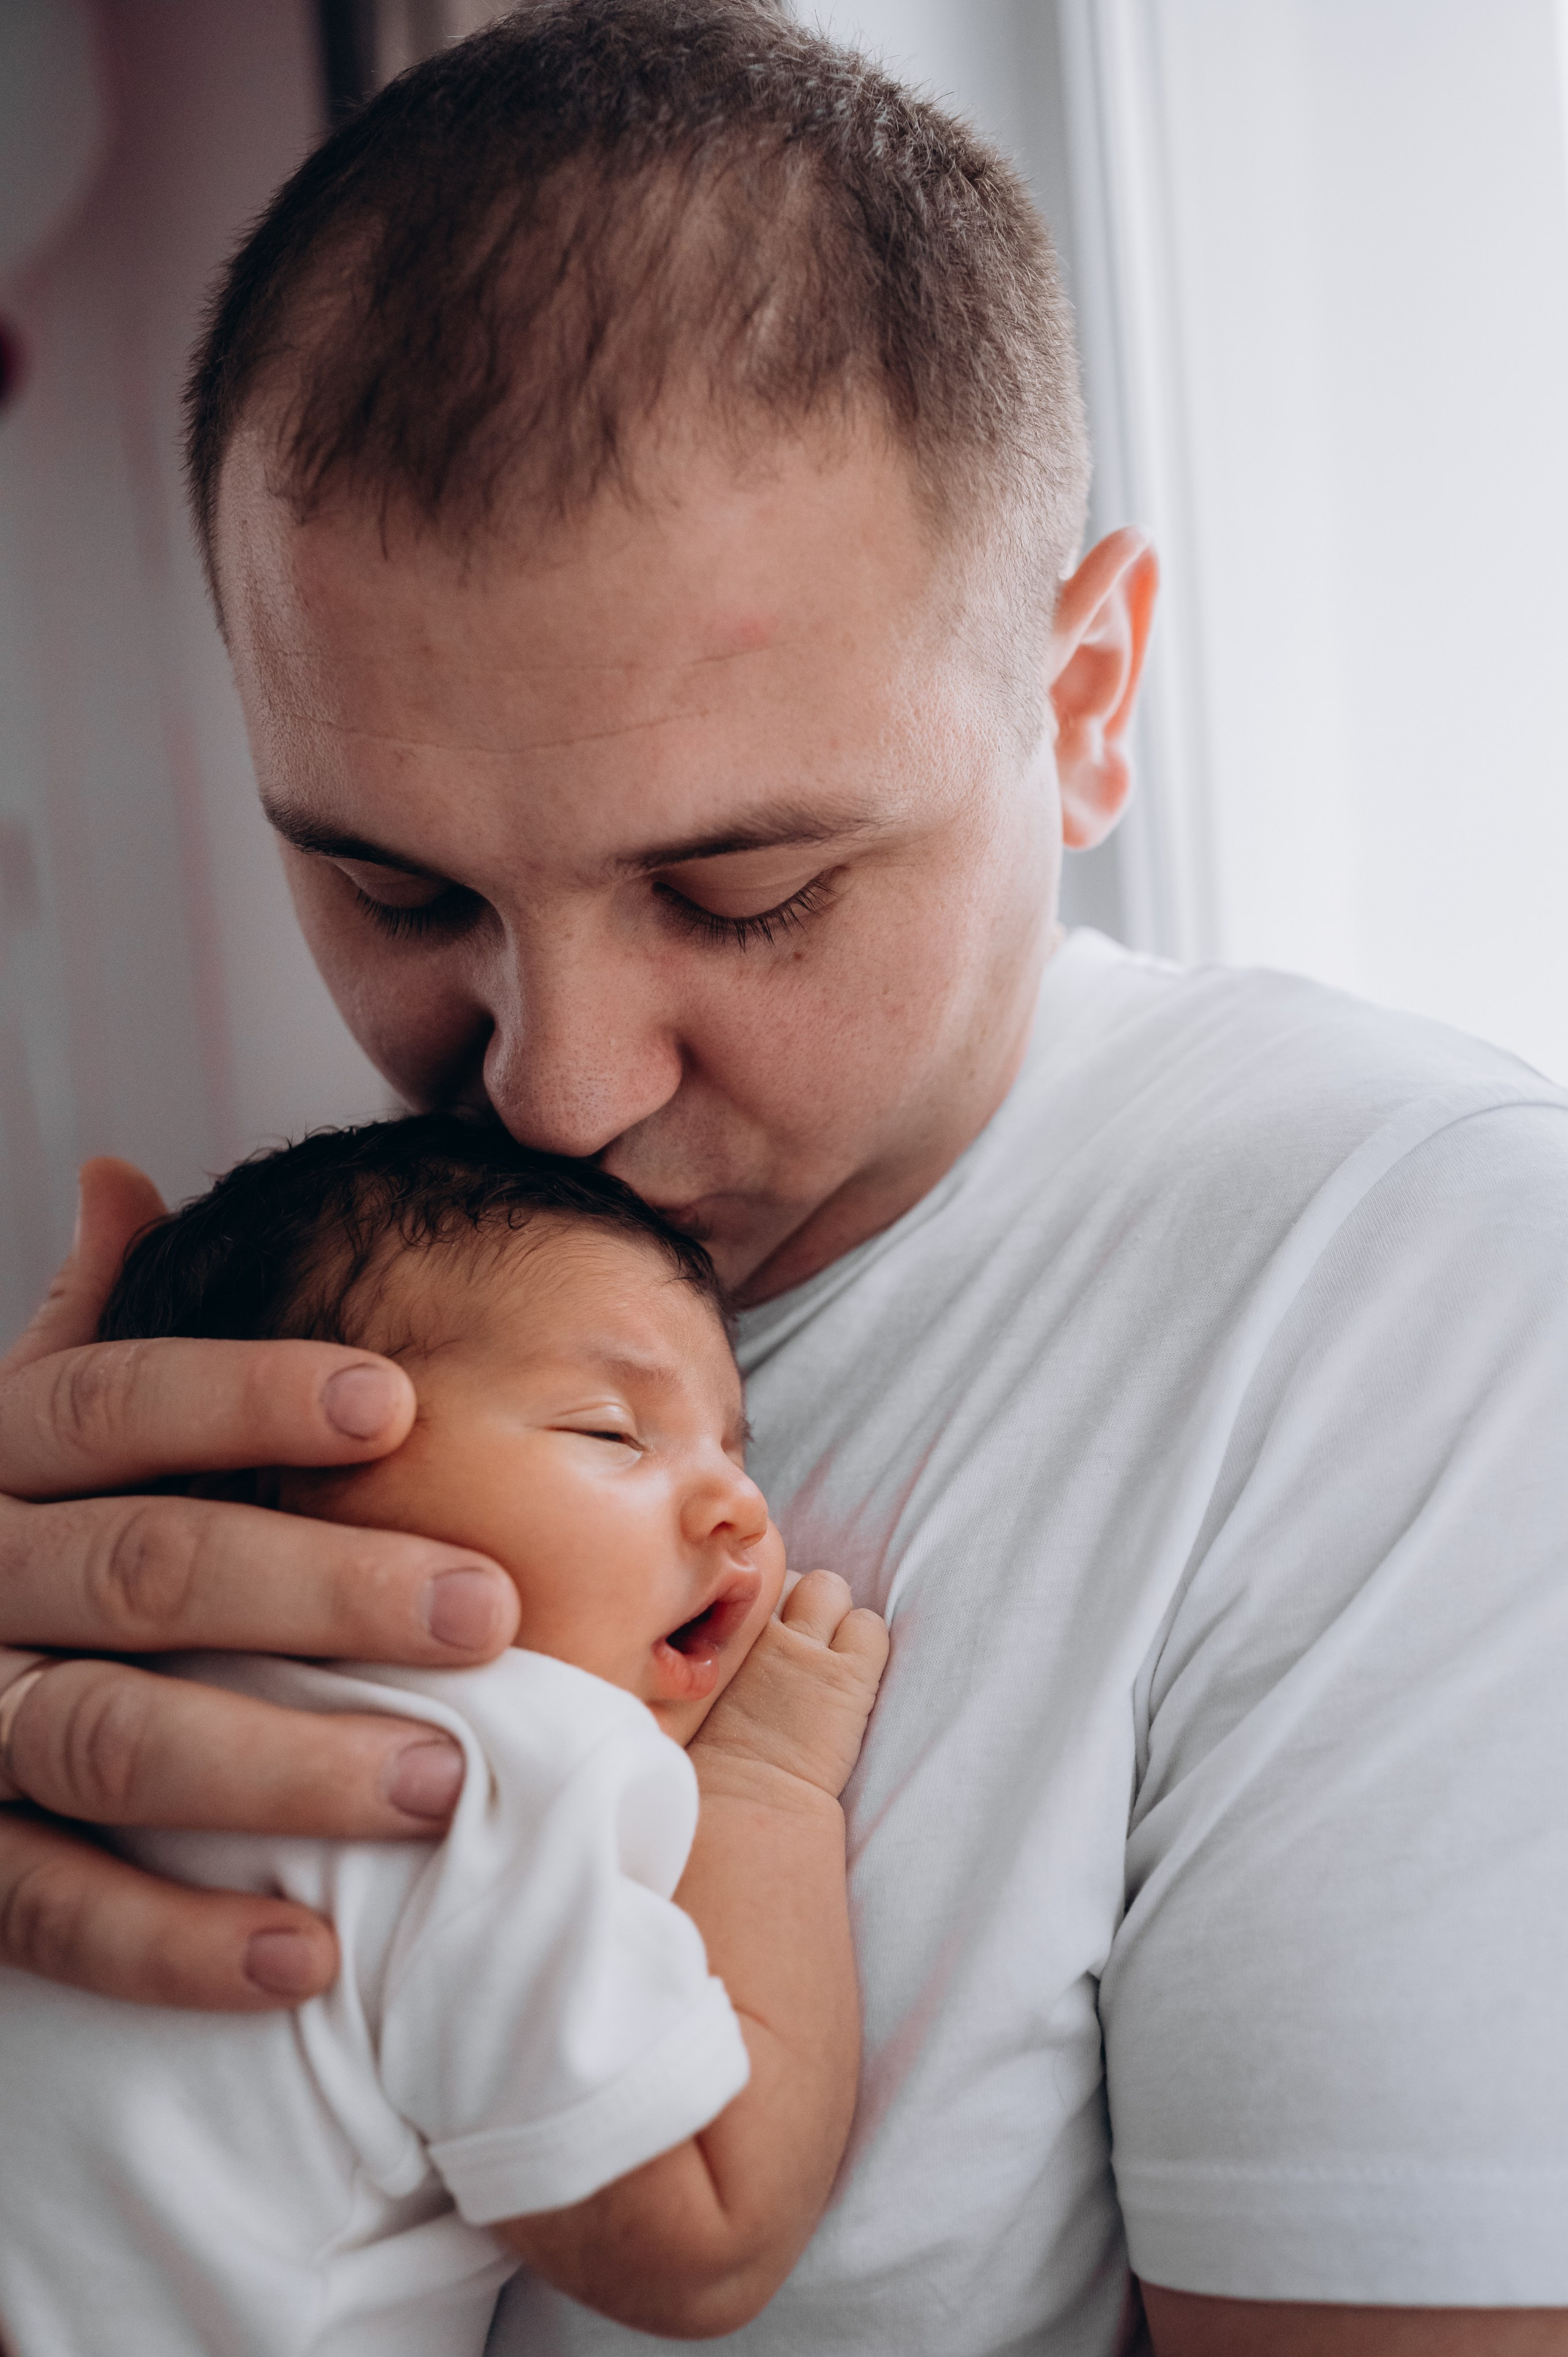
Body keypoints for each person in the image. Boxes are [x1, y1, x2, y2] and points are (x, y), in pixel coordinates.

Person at [1, 3, 1566, 2350]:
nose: (547, 1086)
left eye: (742, 893)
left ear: (1086, 694)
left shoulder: (1411, 1301)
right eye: (396, 893)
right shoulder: (297, 1289)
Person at [0, 1112, 888, 2352]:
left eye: (737, 1447)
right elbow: (703, 2237)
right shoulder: (494, 1761)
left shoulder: (58, 1707)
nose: (738, 1503)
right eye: (609, 1432)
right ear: (274, 1462)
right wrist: (766, 1781)